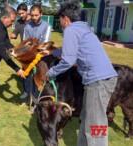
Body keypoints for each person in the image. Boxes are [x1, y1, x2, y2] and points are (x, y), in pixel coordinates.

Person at [40, 1, 118, 146]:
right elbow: (69, 50)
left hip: (98, 81)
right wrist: (52, 52)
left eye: (60, 20)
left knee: (95, 124)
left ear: (65, 18)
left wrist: (50, 72)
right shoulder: (83, 28)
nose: (61, 23)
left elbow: (68, 60)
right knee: (86, 118)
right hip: (100, 79)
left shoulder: (70, 30)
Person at [23, 4, 52, 106]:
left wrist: (35, 51)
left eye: (36, 15)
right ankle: (28, 99)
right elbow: (24, 43)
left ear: (41, 14)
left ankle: (36, 103)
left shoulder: (47, 26)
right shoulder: (27, 26)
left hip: (41, 58)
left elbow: (45, 43)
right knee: (28, 79)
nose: (34, 18)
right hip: (29, 57)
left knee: (38, 81)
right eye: (32, 15)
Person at [9, 3, 31, 102]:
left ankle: (33, 93)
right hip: (23, 52)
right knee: (25, 72)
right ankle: (26, 91)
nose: (21, 15)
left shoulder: (32, 21)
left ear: (27, 11)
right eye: (19, 14)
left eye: (22, 13)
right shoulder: (19, 22)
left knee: (34, 73)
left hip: (33, 50)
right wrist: (9, 35)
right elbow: (15, 34)